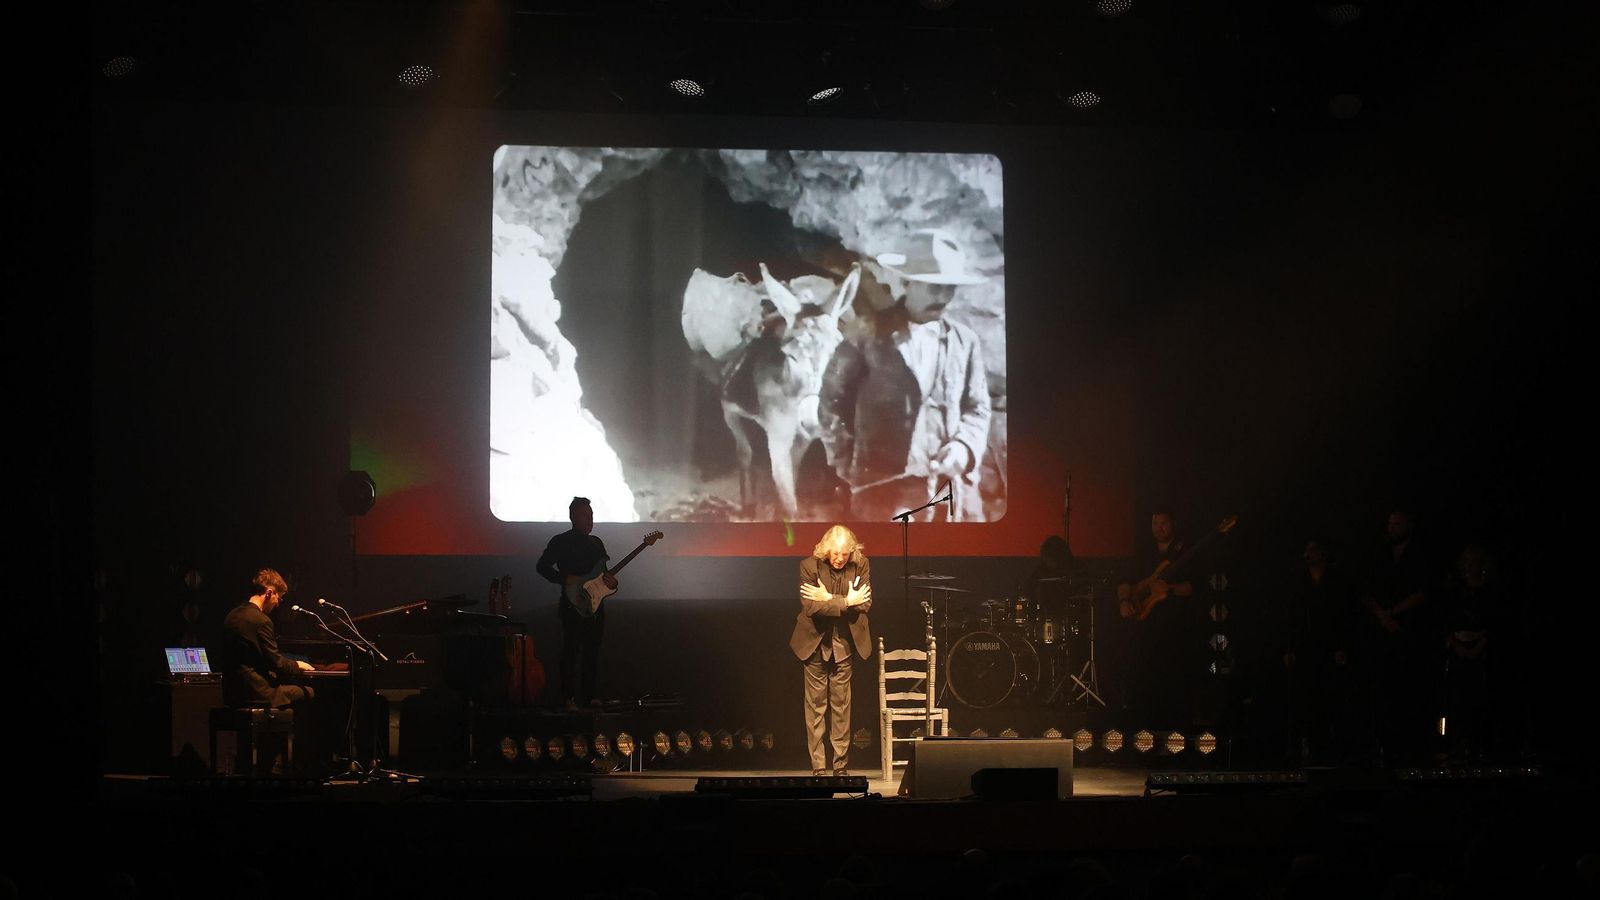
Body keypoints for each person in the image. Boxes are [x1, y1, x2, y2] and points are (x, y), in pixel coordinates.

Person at [819, 228, 992, 522]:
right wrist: (846, 463)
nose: (944, 296)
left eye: (951, 287)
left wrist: (963, 449)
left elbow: (978, 407)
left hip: (947, 493)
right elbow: (831, 402)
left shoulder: (965, 341)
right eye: (934, 286)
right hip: (882, 494)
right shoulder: (864, 335)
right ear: (906, 282)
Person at [789, 525, 874, 776]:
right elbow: (811, 607)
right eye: (835, 553)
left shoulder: (861, 565)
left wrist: (828, 598)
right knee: (815, 709)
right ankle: (818, 768)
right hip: (814, 644)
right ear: (826, 550)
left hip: (845, 645)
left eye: (845, 554)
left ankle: (840, 767)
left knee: (841, 707)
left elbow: (866, 603)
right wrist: (847, 601)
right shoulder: (809, 566)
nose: (839, 558)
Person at [1115, 510, 1196, 722]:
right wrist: (1124, 602)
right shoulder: (1142, 552)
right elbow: (1124, 581)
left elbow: (1194, 586)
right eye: (1154, 523)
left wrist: (1170, 588)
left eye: (1163, 523)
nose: (1158, 528)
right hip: (1145, 630)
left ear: (1173, 523)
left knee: (1176, 684)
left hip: (1176, 629)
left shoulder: (1184, 551)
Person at [536, 496, 616, 710]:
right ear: (573, 517)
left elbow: (604, 575)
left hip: (596, 605)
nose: (590, 520)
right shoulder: (560, 541)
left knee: (592, 652)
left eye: (591, 515)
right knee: (571, 650)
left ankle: (590, 697)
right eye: (584, 515)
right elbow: (542, 566)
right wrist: (563, 579)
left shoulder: (597, 543)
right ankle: (568, 697)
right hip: (572, 604)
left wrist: (611, 581)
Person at [218, 568, 315, 710]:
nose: (278, 603)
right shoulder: (262, 621)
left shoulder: (231, 616)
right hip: (258, 692)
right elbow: (277, 664)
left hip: (232, 693)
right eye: (279, 598)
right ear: (269, 593)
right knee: (309, 692)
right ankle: (285, 731)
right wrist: (297, 665)